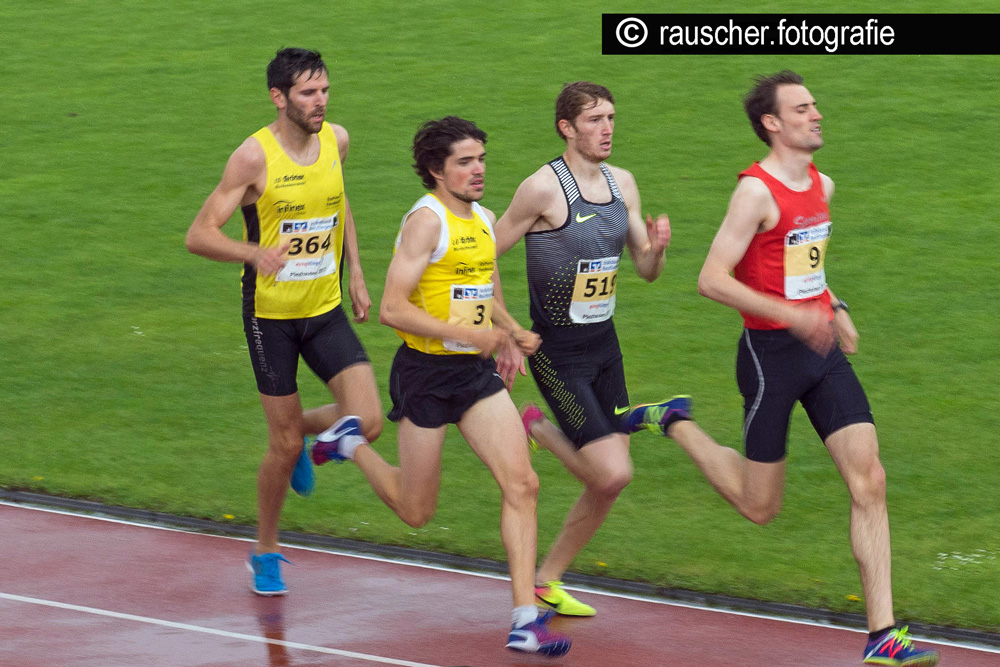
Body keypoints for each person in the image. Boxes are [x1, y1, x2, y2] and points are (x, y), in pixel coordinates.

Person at [630, 70, 939, 666]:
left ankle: (882, 635)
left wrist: (834, 307)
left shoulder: (822, 184)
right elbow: (711, 279)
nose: (815, 114)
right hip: (769, 357)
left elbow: (807, 268)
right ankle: (674, 422)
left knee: (869, 480)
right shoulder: (755, 192)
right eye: (801, 109)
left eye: (814, 105)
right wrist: (792, 317)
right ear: (772, 123)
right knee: (760, 507)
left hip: (820, 353)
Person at [309, 116, 571, 657]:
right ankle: (350, 444)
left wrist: (507, 332)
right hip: (425, 375)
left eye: (481, 159)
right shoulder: (426, 223)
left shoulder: (484, 219)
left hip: (474, 377)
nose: (478, 171)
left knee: (523, 484)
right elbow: (392, 309)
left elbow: (483, 284)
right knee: (416, 512)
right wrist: (472, 335)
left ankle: (525, 619)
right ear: (435, 169)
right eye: (464, 162)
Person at [185, 48, 383, 597]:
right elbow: (199, 234)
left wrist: (357, 271)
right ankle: (266, 550)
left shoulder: (336, 141)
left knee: (368, 420)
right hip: (270, 319)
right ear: (279, 97)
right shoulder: (253, 157)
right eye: (308, 93)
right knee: (282, 443)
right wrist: (254, 253)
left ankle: (304, 438)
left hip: (324, 309)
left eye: (325, 90)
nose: (320, 102)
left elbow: (338, 203)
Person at [492, 81, 676, 618]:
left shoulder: (623, 184)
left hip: (605, 347)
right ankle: (538, 428)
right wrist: (507, 329)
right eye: (595, 120)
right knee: (612, 473)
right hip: (558, 353)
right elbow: (480, 254)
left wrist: (658, 250)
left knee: (609, 482)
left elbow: (645, 268)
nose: (607, 129)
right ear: (566, 128)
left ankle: (547, 579)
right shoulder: (542, 189)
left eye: (611, 118)